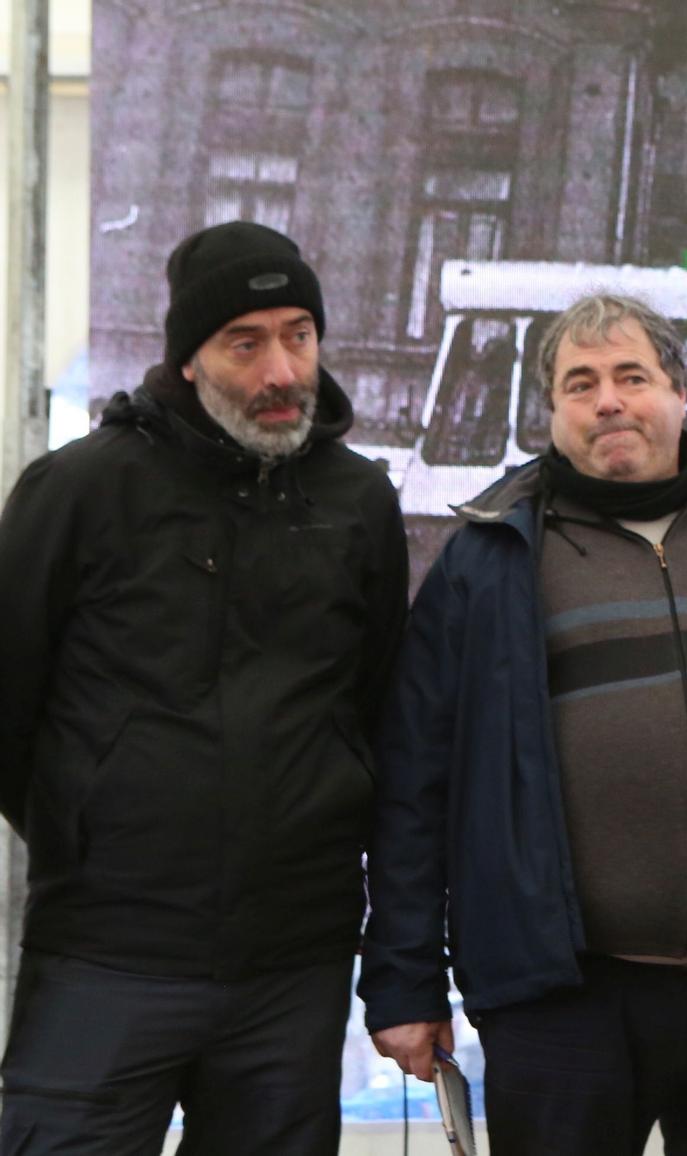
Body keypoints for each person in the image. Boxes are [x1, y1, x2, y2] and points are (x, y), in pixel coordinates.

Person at [360, 292, 687, 1155]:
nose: (609, 400)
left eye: (632, 376)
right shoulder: (488, 554)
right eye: (580, 384)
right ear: (551, 414)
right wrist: (402, 980)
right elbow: (415, 782)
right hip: (563, 1000)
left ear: (680, 393)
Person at [0, 220, 409, 1154]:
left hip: (292, 968)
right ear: (188, 358)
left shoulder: (358, 503)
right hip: (104, 958)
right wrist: (96, 821)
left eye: (298, 335)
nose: (281, 372)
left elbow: (379, 711)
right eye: (246, 342)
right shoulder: (80, 490)